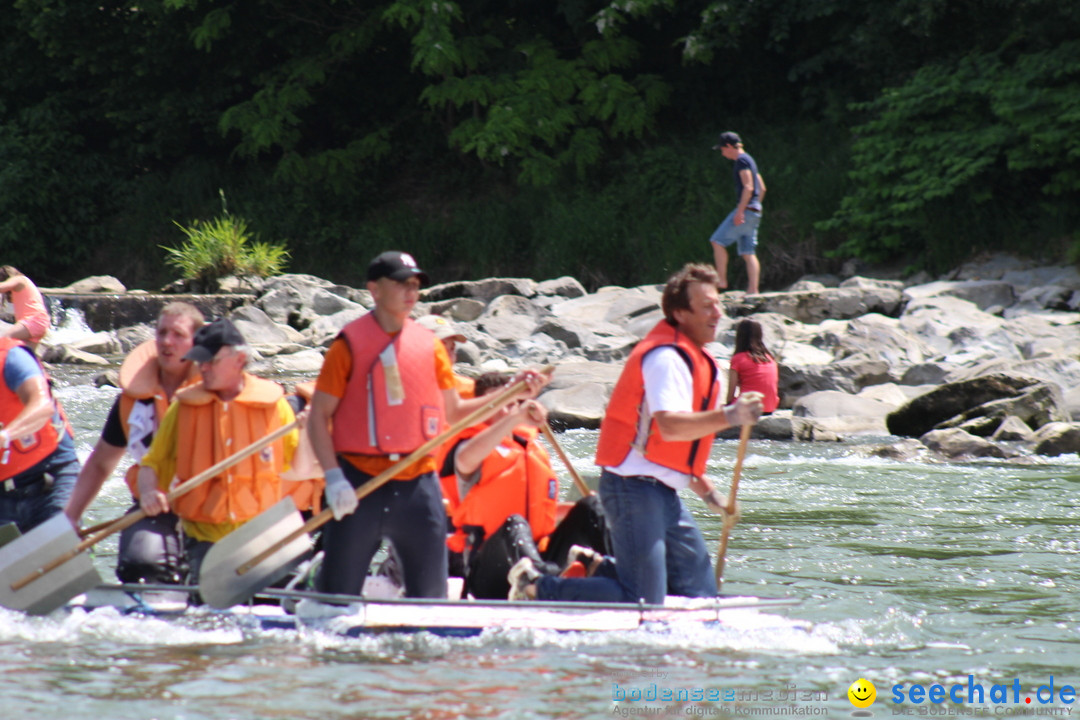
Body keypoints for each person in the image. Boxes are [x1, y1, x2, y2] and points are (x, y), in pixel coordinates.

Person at [508, 263, 763, 604]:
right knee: (643, 597)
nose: (718, 313)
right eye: (706, 306)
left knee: (699, 591)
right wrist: (732, 414)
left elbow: (678, 450)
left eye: (718, 304)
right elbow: (669, 427)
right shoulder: (666, 357)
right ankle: (534, 585)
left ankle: (592, 565)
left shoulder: (698, 360)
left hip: (664, 493)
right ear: (679, 314)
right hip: (632, 488)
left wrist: (709, 493)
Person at [307, 250, 543, 600]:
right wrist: (334, 478)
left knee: (430, 599)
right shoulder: (348, 347)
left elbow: (456, 412)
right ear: (374, 289)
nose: (410, 291)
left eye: (415, 284)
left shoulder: (430, 347)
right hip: (359, 482)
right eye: (401, 283)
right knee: (335, 598)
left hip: (417, 485)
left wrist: (511, 392)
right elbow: (317, 418)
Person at [136, 317, 300, 583]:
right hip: (206, 538)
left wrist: (311, 431)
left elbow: (300, 467)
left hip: (264, 533)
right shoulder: (184, 408)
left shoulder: (275, 406)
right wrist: (148, 492)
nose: (204, 368)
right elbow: (151, 463)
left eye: (211, 361)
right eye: (200, 362)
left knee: (292, 590)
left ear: (239, 359)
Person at [64, 302, 204, 584]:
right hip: (154, 506)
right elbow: (101, 464)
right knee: (140, 564)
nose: (167, 341)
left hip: (210, 509)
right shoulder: (131, 400)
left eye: (177, 334)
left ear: (196, 342)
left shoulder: (216, 391)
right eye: (162, 333)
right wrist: (70, 518)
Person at [440, 371, 608, 599]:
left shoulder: (528, 447)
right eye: (497, 404)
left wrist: (577, 511)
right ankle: (541, 581)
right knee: (514, 523)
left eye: (511, 403)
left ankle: (620, 572)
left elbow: (539, 508)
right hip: (489, 570)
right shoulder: (468, 447)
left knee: (593, 507)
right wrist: (516, 416)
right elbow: (464, 461)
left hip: (537, 556)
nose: (506, 410)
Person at [0, 337, 80, 533]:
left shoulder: (12, 358)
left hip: (50, 478)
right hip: (4, 497)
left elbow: (42, 405)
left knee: (64, 554)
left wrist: (5, 436)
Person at [709, 132, 767, 295]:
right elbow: (761, 188)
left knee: (717, 241)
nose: (722, 153)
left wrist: (741, 211)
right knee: (748, 253)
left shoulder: (741, 161)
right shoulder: (750, 160)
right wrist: (756, 207)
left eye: (722, 149)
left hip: (747, 209)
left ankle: (721, 280)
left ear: (729, 146)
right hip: (755, 211)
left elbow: (748, 187)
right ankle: (753, 290)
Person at [726, 319, 780, 414]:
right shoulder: (770, 358)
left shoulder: (738, 358)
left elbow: (730, 395)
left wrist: (727, 405)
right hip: (769, 408)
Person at [416, 314, 474, 399]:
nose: (449, 354)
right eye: (440, 346)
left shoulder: (469, 389)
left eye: (452, 347)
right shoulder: (401, 387)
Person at [0, 266, 51, 352]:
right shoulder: (24, 284)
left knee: (5, 340)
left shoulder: (19, 279)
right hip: (40, 322)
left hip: (33, 320)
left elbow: (2, 286)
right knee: (27, 355)